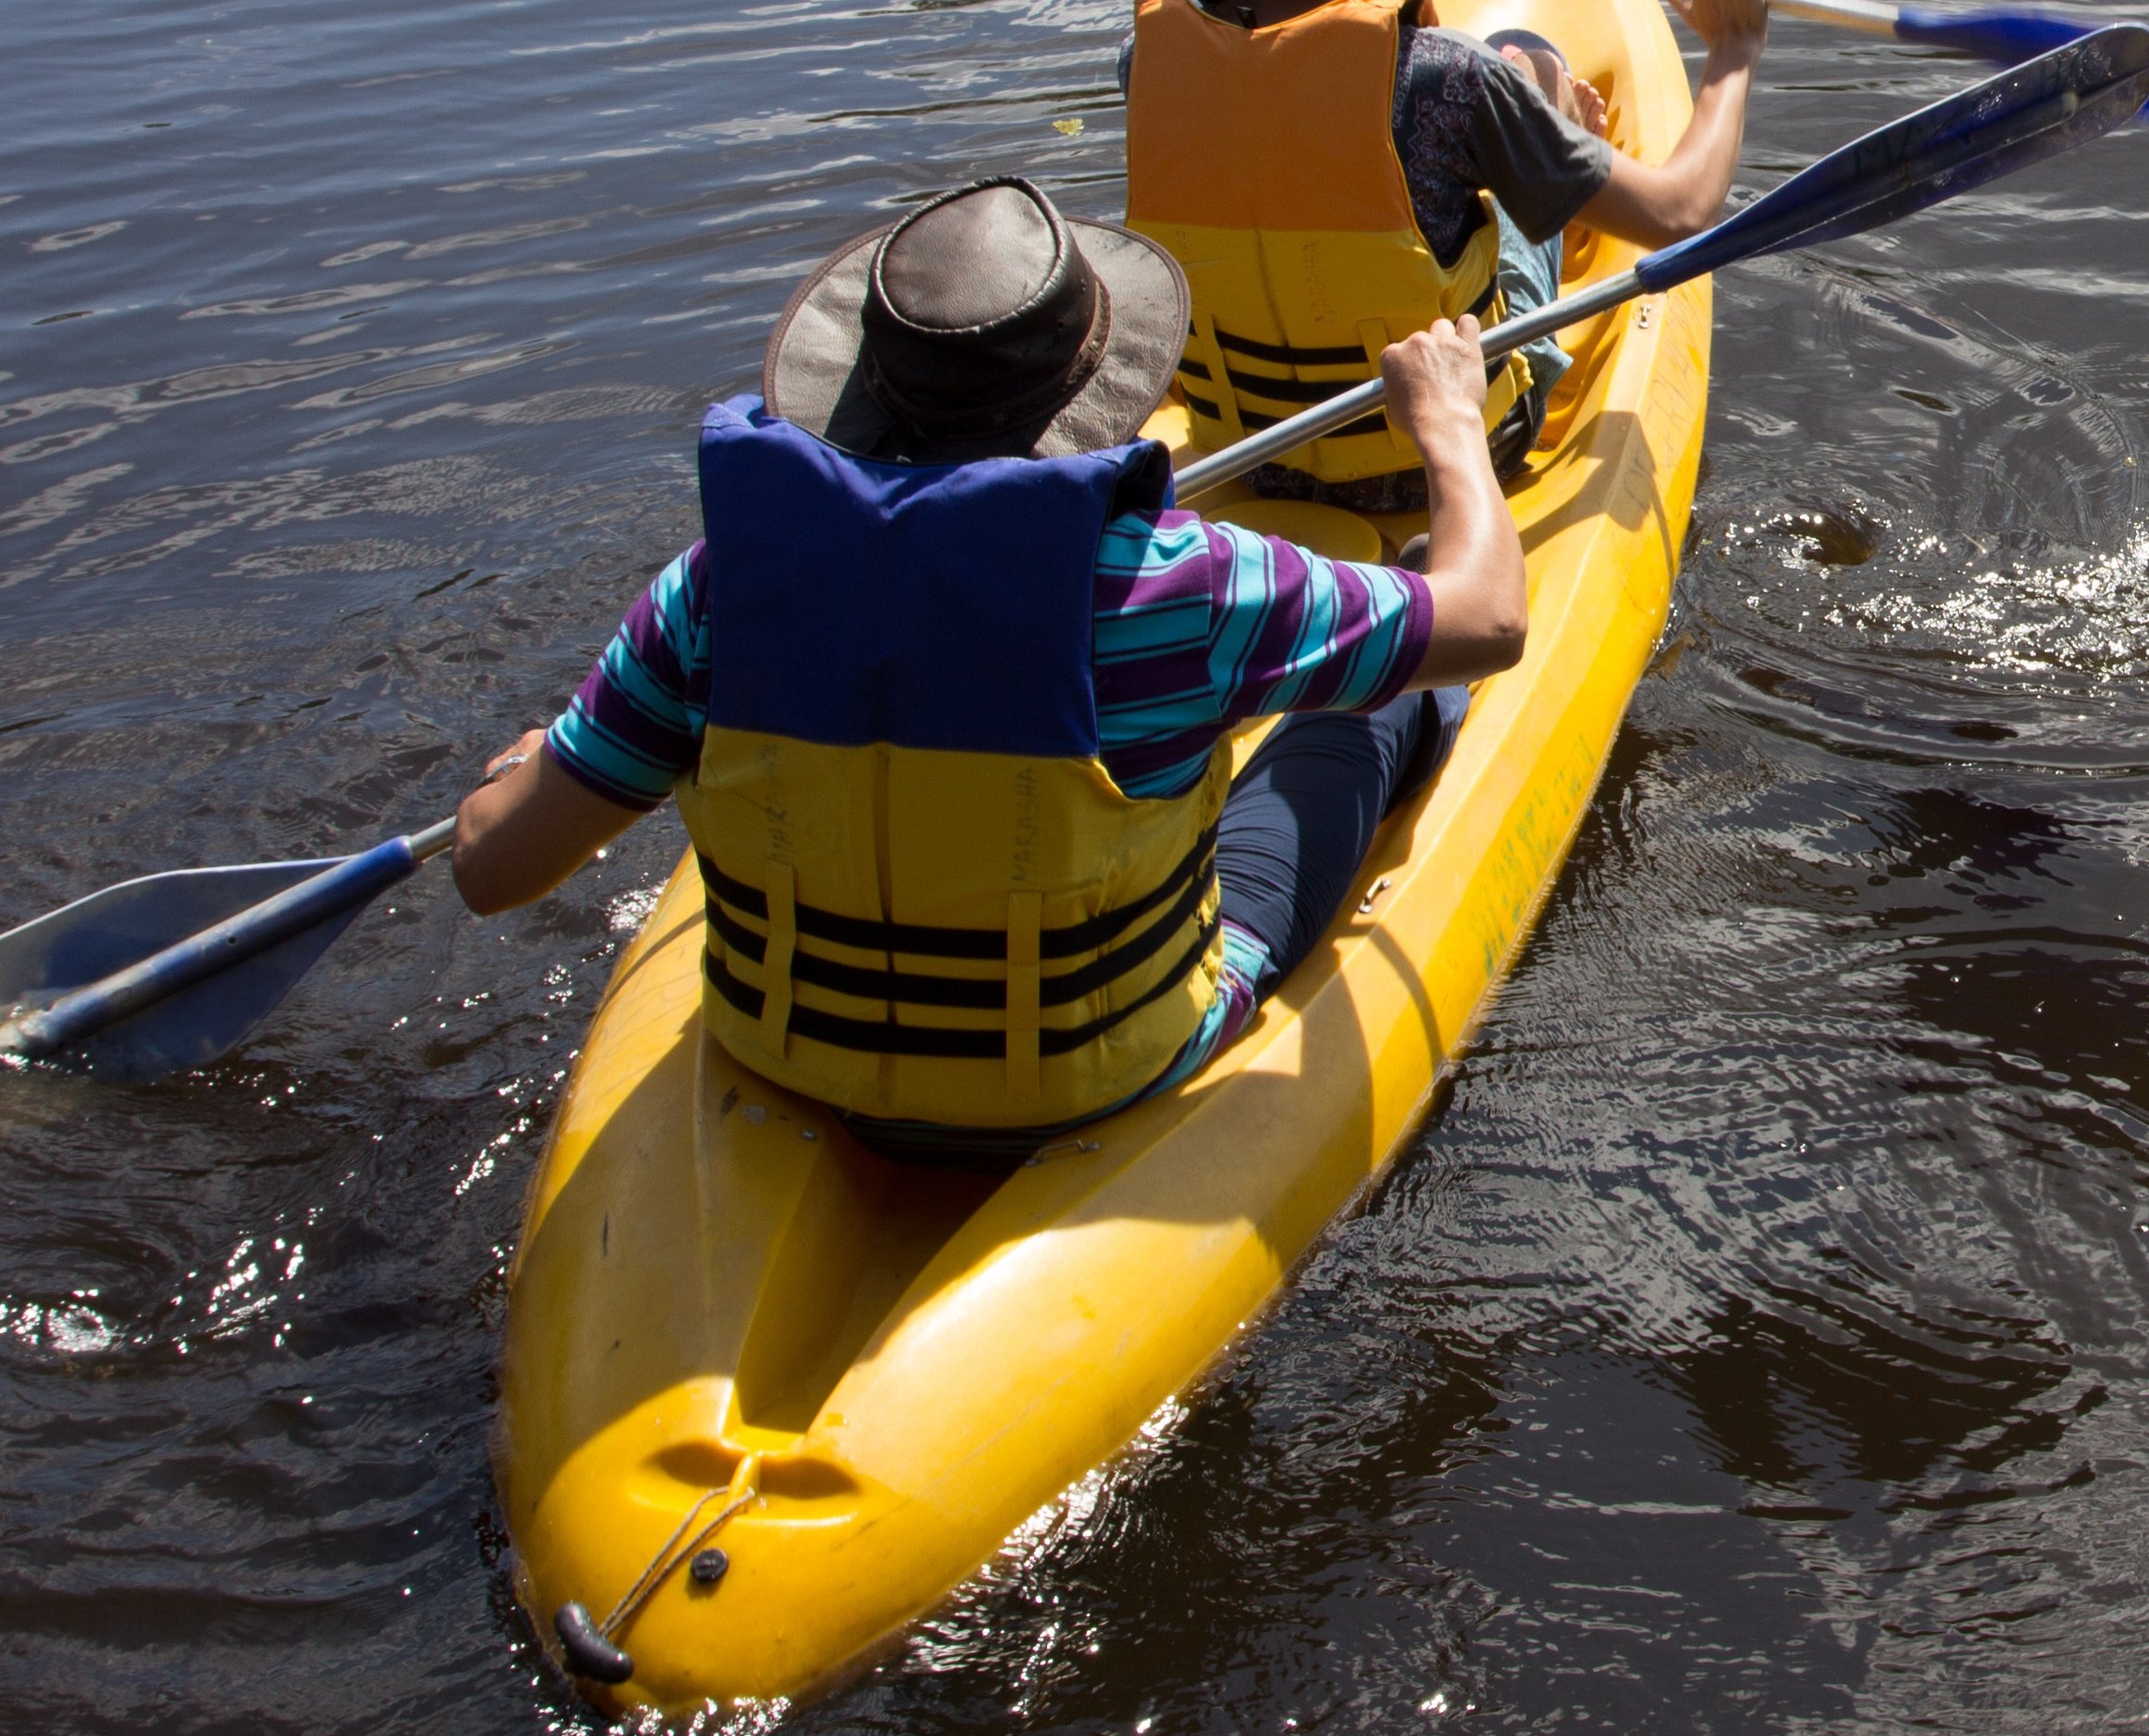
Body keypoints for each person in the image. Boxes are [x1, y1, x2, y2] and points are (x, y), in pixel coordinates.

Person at [445, 175, 1522, 1157]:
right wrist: (1451, 423)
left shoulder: (716, 589)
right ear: (1094, 389)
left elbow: (492, 870)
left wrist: (537, 767)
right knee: (1363, 715)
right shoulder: (1183, 585)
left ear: (865, 380)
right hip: (1100, 1071)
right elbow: (1488, 621)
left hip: (788, 1056)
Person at [1119, 0, 1775, 508]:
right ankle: (1553, 144)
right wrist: (1733, 50)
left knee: (1511, 80)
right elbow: (1679, 216)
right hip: (1445, 455)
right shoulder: (1451, 78)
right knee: (1531, 66)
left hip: (1250, 455)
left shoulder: (1145, 61)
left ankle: (1547, 135)